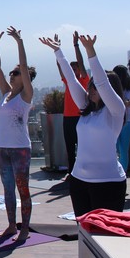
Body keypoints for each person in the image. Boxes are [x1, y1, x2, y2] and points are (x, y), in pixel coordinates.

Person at [39, 33, 126, 217]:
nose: (91, 89)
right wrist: (58, 52)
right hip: (79, 181)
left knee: (105, 236)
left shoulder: (115, 111)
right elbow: (72, 80)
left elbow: (102, 82)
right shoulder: (86, 108)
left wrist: (90, 52)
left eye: (95, 87)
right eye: (91, 86)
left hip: (107, 182)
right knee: (84, 233)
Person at [0, 27, 35, 242]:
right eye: (13, 72)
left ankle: (24, 228)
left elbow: (25, 66)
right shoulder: (5, 94)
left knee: (23, 189)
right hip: (3, 147)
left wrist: (19, 41)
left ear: (25, 78)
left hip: (20, 149)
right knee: (8, 189)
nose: (12, 74)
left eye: (16, 73)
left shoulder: (26, 96)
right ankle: (11, 225)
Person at [59, 32, 90, 178]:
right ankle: (71, 172)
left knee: (83, 146)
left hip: (81, 117)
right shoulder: (67, 81)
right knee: (70, 147)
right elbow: (60, 65)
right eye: (70, 68)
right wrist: (56, 49)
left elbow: (82, 63)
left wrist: (76, 45)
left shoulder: (84, 80)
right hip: (68, 117)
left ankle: (85, 171)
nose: (73, 70)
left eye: (75, 68)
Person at [112, 65, 130, 172]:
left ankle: (122, 172)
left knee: (123, 149)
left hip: (126, 121)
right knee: (117, 149)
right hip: (118, 121)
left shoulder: (129, 90)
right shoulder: (113, 90)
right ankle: (117, 171)